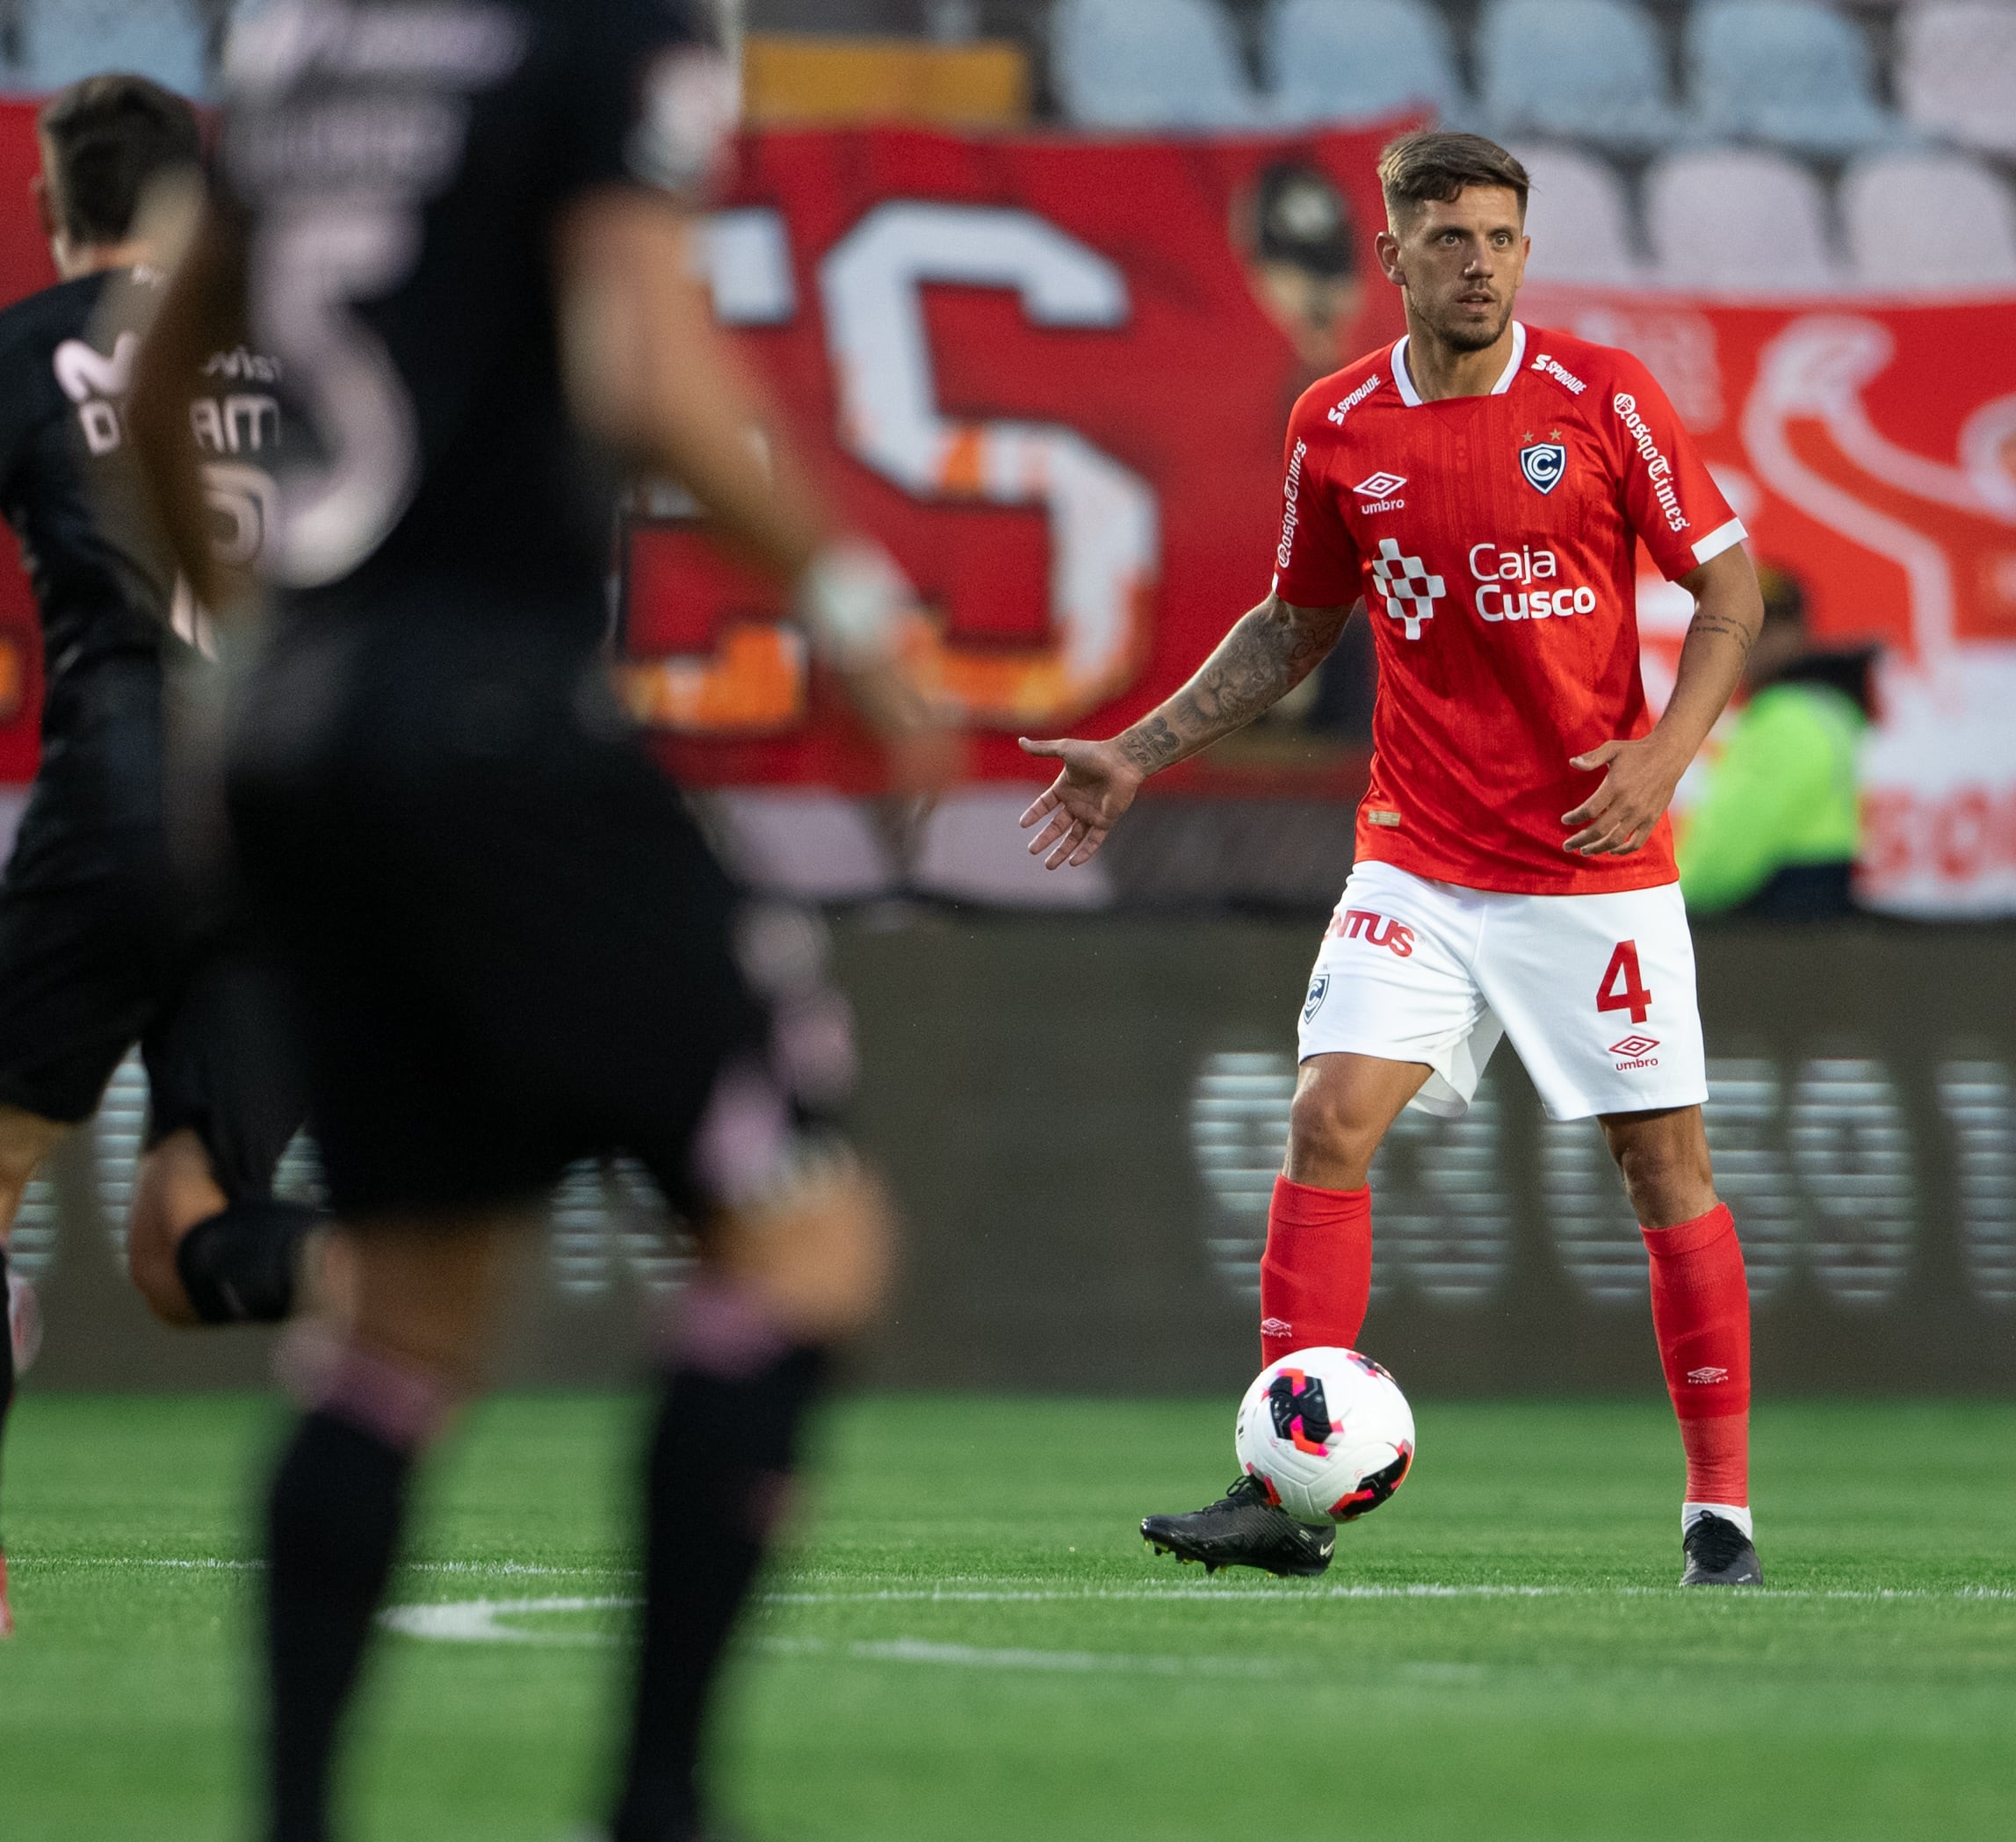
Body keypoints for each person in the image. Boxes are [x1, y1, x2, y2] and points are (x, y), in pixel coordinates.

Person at [134, 4, 946, 1838]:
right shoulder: (608, 28)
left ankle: (294, 1815)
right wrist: (852, 600)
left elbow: (168, 358)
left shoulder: (300, 44)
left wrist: (245, 658)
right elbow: (645, 366)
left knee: (402, 1321)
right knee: (806, 1245)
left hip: (303, 732)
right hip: (502, 711)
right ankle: (658, 1800)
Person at [1021, 129, 1770, 1588]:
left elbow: (1728, 589)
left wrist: (1665, 756)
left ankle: (1720, 1511)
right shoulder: (1337, 425)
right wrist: (1142, 749)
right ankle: (1282, 1493)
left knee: (1662, 1164)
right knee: (1325, 1120)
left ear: (1524, 251)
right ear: (1395, 259)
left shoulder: (1603, 399)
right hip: (1416, 858)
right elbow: (1292, 626)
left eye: (1498, 237)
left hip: (1587, 864)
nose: (1476, 262)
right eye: (1447, 240)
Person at [0, 74, 332, 1642]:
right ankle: (394, 1258)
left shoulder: (36, 341)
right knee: (184, 1240)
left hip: (125, 788)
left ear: (63, 206)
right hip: (293, 817)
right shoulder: (316, 346)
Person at [1678, 569, 1870, 920]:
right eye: (1735, 624)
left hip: (1776, 927)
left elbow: (1726, 856)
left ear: (1800, 631)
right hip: (1805, 923)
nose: (1750, 639)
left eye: (1766, 625)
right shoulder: (1823, 708)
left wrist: (1667, 905)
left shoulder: (1787, 718)